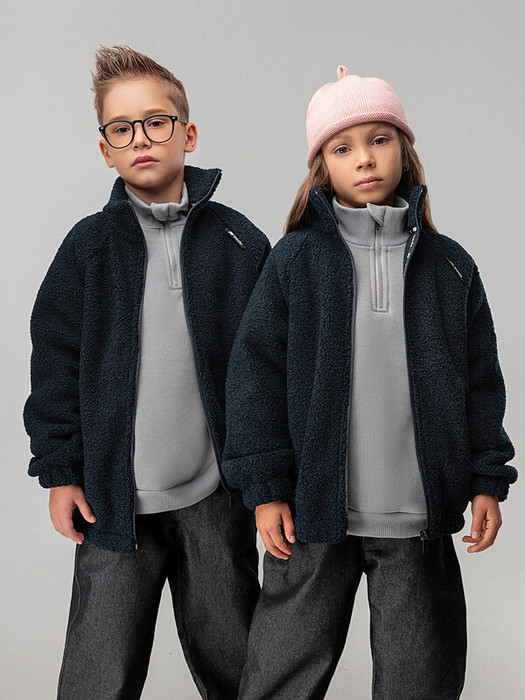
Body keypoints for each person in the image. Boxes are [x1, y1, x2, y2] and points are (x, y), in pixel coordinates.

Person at [222, 66, 517, 699]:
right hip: (313, 511)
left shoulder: (450, 267)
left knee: (421, 680)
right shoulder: (294, 261)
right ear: (321, 167)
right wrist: (267, 489)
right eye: (342, 147)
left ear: (404, 150)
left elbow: (480, 381)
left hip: (418, 516)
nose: (364, 158)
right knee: (280, 676)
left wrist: (487, 478)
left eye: (379, 139)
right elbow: (255, 378)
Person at [23, 45, 270, 700]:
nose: (140, 139)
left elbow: (268, 369)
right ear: (105, 150)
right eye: (121, 128)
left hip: (215, 494)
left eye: (156, 122)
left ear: (187, 135)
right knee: (97, 671)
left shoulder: (240, 243)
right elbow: (54, 363)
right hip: (111, 498)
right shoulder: (87, 248)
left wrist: (268, 476)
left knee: (237, 659)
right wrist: (61, 471)